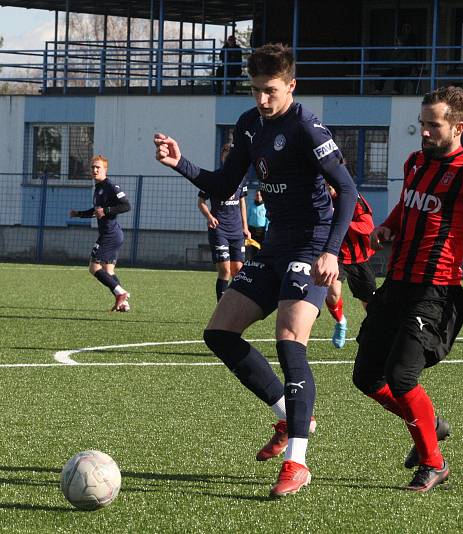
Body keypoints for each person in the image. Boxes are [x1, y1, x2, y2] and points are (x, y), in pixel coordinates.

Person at [154, 43, 358, 498]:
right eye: (255, 91)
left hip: (310, 243)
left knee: (289, 341)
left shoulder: (307, 127)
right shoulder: (249, 126)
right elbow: (226, 185)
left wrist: (330, 251)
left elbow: (346, 189)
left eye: (270, 91)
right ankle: (289, 412)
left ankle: (297, 463)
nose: (262, 100)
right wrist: (180, 163)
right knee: (219, 332)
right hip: (273, 246)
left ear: (290, 85)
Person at [352, 86, 463, 493]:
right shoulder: (415, 163)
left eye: (433, 125)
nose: (424, 132)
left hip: (436, 292)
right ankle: (430, 425)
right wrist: (388, 225)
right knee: (366, 377)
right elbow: (407, 207)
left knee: (401, 376)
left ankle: (433, 463)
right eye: (422, 123)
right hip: (397, 284)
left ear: (458, 127)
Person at [68, 155, 132, 312]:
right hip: (110, 233)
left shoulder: (111, 186)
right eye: (93, 167)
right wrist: (79, 214)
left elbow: (126, 206)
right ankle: (124, 303)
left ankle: (121, 293)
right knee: (108, 271)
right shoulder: (98, 188)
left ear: (105, 170)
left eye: (98, 167)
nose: (95, 170)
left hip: (110, 234)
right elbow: (96, 211)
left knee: (93, 267)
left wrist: (107, 210)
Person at [324, 184, 377, 349]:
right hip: (335, 255)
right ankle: (340, 322)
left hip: (359, 257)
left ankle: (375, 333)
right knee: (332, 293)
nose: (327, 186)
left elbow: (367, 226)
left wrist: (341, 220)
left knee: (369, 301)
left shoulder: (353, 198)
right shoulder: (319, 199)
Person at [197, 143, 250, 301]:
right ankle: (222, 306)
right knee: (225, 270)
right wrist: (209, 216)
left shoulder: (241, 178)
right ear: (222, 158)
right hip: (219, 229)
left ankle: (236, 304)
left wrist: (245, 227)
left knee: (238, 270)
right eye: (227, 156)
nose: (229, 160)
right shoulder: (213, 178)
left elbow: (242, 203)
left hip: (236, 230)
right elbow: (201, 201)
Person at [246, 189, 268, 259]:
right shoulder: (251, 206)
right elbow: (247, 218)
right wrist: (246, 229)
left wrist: (266, 230)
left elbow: (267, 219)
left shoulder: (265, 206)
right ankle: (252, 262)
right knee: (252, 249)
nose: (258, 196)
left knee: (261, 248)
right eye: (257, 195)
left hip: (262, 231)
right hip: (252, 230)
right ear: (255, 196)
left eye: (260, 195)